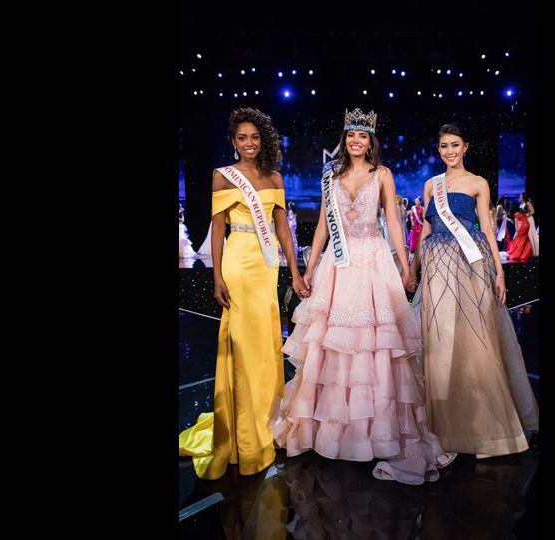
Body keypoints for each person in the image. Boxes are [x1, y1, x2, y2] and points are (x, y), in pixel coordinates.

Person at [272, 108, 454, 485]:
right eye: (352, 135)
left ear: (371, 141)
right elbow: (323, 228)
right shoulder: (330, 175)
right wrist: (309, 268)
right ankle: (330, 433)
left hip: (373, 262)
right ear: (345, 138)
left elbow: (393, 222)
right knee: (335, 345)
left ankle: (375, 432)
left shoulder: (382, 174)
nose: (357, 141)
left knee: (374, 346)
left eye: (363, 135)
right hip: (338, 268)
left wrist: (407, 266)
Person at [179, 107, 306, 480]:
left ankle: (266, 421)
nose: (248, 143)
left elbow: (282, 229)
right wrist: (217, 275)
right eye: (241, 138)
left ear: (262, 139)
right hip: (237, 262)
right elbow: (218, 227)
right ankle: (242, 433)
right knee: (241, 343)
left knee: (265, 344)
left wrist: (295, 271)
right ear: (233, 142)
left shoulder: (274, 177)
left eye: (254, 137)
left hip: (266, 267)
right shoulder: (223, 175)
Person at [411, 123, 539, 458]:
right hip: (437, 267)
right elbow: (426, 230)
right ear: (438, 149)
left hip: (470, 266)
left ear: (465, 147)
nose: (449, 151)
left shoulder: (478, 183)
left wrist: (500, 273)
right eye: (444, 146)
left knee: (473, 339)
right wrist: (413, 268)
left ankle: (481, 426)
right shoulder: (431, 185)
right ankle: (441, 423)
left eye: (455, 145)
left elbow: (487, 229)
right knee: (439, 339)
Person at [519, 192, 539, 257]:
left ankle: (536, 251)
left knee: (532, 234)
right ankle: (529, 252)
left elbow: (533, 211)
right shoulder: (522, 204)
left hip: (529, 219)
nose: (520, 197)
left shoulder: (528, 203)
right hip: (524, 220)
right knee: (527, 235)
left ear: (523, 197)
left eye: (521, 196)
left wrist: (526, 215)